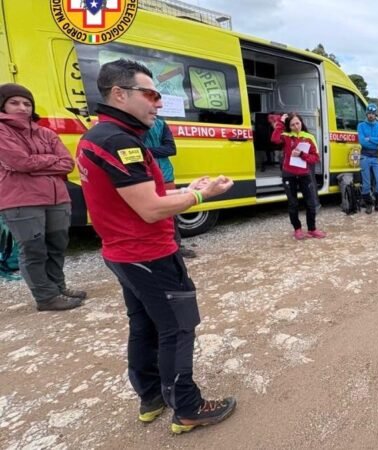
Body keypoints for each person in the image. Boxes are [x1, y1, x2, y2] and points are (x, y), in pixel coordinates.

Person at [76, 59, 236, 434]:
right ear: (120, 94)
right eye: (150, 94)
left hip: (122, 253)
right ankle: (188, 407)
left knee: (144, 325)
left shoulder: (97, 136)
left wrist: (186, 189)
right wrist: (200, 196)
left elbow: (137, 195)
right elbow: (149, 209)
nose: (158, 103)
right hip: (147, 253)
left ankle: (151, 398)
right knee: (178, 328)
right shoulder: (118, 141)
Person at [0, 83, 86, 311]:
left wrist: (34, 164)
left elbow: (67, 163)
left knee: (57, 246)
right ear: (3, 105)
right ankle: (46, 297)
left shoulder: (45, 132)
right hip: (22, 200)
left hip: (57, 198)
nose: (22, 107)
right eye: (14, 102)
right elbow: (19, 162)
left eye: (27, 103)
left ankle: (58, 287)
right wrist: (50, 161)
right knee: (33, 249)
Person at [144, 116, 196, 258]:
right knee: (145, 211)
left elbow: (170, 149)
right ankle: (152, 246)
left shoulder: (160, 123)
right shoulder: (126, 124)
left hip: (164, 174)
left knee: (170, 212)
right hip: (142, 174)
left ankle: (176, 246)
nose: (156, 105)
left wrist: (144, 151)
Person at [270, 112, 325, 240]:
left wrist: (302, 155)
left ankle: (312, 229)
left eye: (298, 123)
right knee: (293, 204)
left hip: (304, 174)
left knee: (311, 203)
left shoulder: (309, 137)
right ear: (289, 126)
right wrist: (280, 124)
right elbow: (274, 139)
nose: (296, 126)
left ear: (301, 122)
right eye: (292, 124)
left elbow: (316, 158)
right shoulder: (286, 136)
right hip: (289, 175)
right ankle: (297, 229)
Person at [357, 103, 378, 214]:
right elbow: (362, 141)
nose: (371, 115)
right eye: (369, 113)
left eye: (373, 114)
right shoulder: (361, 126)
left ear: (376, 114)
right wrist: (375, 140)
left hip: (375, 158)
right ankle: (368, 204)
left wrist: (370, 139)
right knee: (366, 183)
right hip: (364, 157)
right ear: (366, 113)